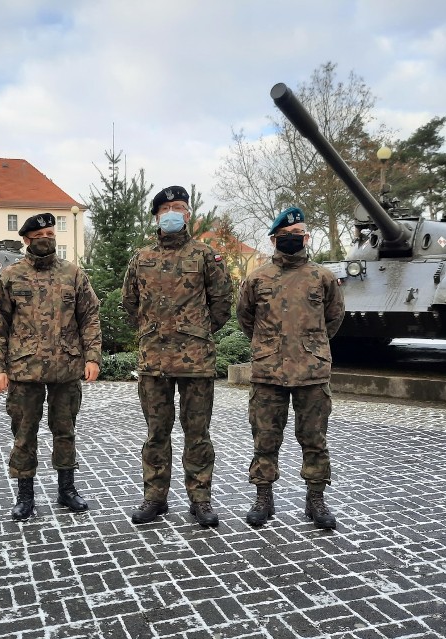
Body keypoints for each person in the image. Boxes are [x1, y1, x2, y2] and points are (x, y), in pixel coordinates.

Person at [121, 185, 233, 527]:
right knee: (157, 434)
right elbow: (129, 305)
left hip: (195, 362)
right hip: (154, 362)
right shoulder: (141, 258)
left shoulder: (205, 256)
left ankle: (200, 500)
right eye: (166, 207)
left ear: (188, 214)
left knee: (197, 434)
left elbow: (223, 302)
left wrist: (196, 332)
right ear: (157, 216)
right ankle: (155, 498)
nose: (173, 212)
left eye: (180, 207)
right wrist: (152, 332)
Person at [0, 212, 102, 521]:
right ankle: (25, 496)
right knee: (24, 433)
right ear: (26, 240)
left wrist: (92, 357)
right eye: (39, 237)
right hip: (24, 370)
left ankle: (67, 490)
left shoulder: (73, 274)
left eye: (50, 234)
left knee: (65, 430)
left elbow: (89, 317)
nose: (46, 240)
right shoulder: (11, 276)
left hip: (66, 367)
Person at [236, 206, 345, 529]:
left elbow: (334, 318)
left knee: (314, 439)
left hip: (312, 371)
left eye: (297, 235)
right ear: (274, 240)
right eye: (285, 236)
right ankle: (263, 497)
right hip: (268, 372)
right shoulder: (257, 279)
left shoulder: (322, 277)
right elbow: (245, 319)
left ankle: (316, 500)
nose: (292, 240)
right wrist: (270, 346)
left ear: (307, 237)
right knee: (265, 439)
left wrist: (310, 346)